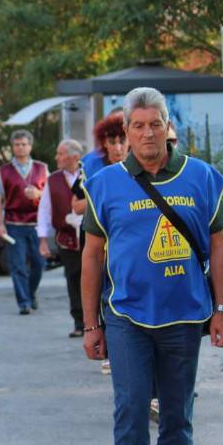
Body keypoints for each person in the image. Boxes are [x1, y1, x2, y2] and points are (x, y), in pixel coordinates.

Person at [81, 87, 223, 445]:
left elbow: (220, 247)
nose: (148, 133)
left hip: (185, 317)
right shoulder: (104, 185)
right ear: (125, 133)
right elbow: (91, 256)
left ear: (169, 128)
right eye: (138, 125)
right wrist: (91, 324)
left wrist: (221, 310)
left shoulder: (202, 178)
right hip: (126, 317)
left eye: (155, 124)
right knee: (129, 410)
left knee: (176, 415)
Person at [71, 112, 129, 375]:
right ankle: (107, 345)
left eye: (121, 140)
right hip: (98, 238)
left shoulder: (143, 163)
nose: (117, 147)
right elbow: (77, 204)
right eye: (111, 141)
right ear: (103, 142)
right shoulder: (91, 166)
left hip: (126, 240)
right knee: (102, 290)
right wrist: (103, 200)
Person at [0, 129, 49, 315]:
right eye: (17, 145)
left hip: (36, 223)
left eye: (24, 144)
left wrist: (38, 194)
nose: (20, 147)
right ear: (12, 147)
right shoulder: (4, 171)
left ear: (30, 146)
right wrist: (0, 224)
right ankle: (23, 302)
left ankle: (30, 293)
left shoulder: (42, 168)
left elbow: (50, 196)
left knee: (39, 264)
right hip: (14, 223)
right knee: (17, 265)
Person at [37, 140, 84, 337]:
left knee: (94, 278)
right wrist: (43, 239)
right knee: (73, 278)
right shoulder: (53, 180)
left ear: (75, 157)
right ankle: (79, 322)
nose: (57, 157)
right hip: (66, 238)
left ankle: (97, 320)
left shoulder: (90, 175)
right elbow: (45, 209)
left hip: (91, 236)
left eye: (61, 153)